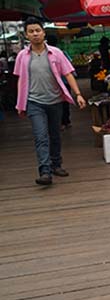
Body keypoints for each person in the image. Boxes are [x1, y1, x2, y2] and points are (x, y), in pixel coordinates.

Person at [14, 17, 86, 185]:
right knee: (40, 136)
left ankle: (56, 164)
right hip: (33, 102)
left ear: (44, 32)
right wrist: (20, 102)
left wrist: (78, 94)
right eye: (31, 31)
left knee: (55, 135)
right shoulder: (22, 56)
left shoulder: (56, 53)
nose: (35, 34)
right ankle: (45, 171)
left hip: (55, 100)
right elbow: (20, 80)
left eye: (38, 30)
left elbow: (68, 73)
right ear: (26, 35)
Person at [46, 35, 73, 129]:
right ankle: (67, 121)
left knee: (56, 103)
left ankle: (60, 123)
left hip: (53, 83)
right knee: (65, 102)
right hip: (65, 81)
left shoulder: (44, 54)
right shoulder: (61, 52)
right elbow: (69, 65)